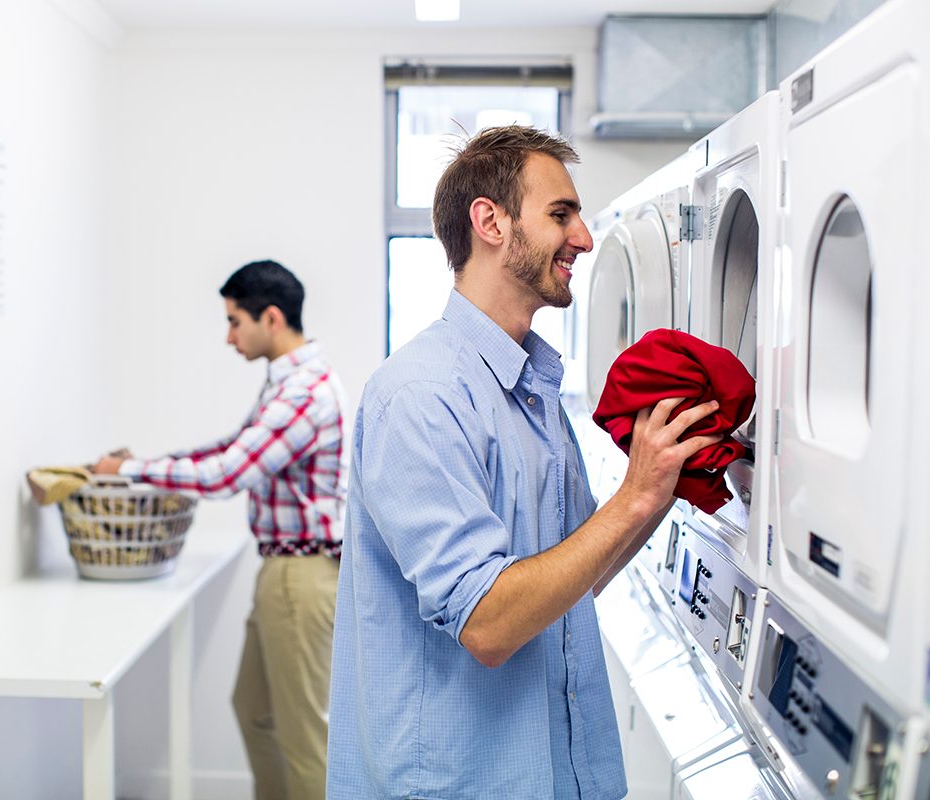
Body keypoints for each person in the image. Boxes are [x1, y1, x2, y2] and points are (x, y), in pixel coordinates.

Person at [326, 126, 723, 799]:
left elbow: (576, 574)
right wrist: (633, 498)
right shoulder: (420, 396)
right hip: (458, 783)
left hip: (547, 772)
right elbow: (487, 622)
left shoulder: (532, 391)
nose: (585, 239)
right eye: (560, 215)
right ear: (490, 221)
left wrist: (666, 483)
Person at [93, 259, 346, 800]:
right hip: (285, 573)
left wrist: (131, 472)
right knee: (254, 712)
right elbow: (230, 449)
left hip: (299, 578)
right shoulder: (290, 384)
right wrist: (145, 462)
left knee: (304, 738)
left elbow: (226, 474)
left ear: (270, 318)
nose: (229, 336)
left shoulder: (304, 393)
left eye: (235, 321)